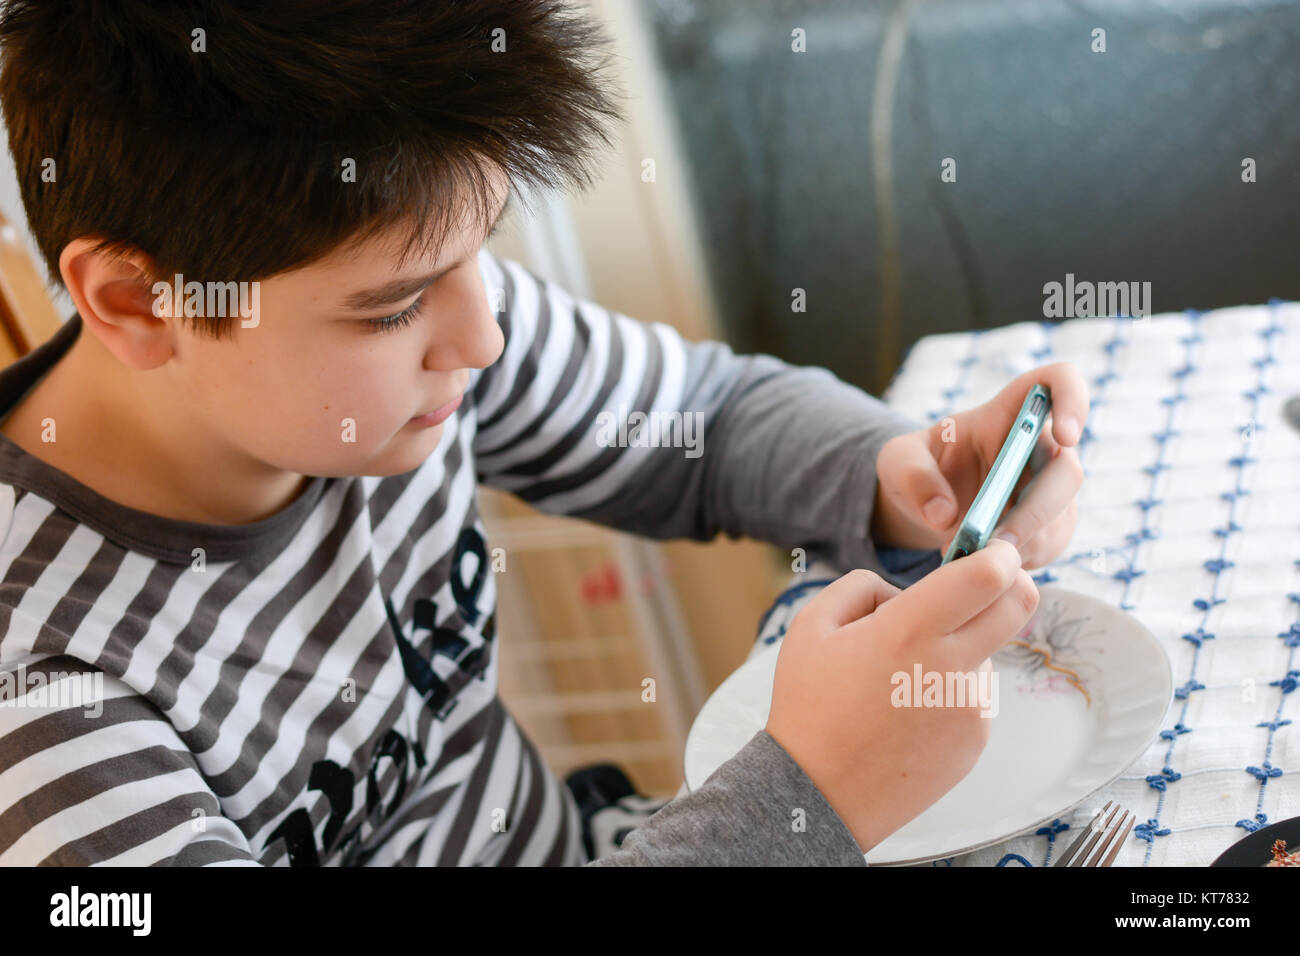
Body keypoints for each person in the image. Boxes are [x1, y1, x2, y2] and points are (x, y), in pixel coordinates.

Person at [0, 0, 1086, 865]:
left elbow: (707, 418)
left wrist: (903, 478)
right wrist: (808, 799)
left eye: (483, 247)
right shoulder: (45, 716)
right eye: (392, 307)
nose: (479, 338)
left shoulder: (403, 351)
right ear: (141, 303)